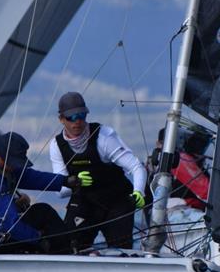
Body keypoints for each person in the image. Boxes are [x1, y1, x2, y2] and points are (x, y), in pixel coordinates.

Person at [0, 129, 88, 254]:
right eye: (13, 163)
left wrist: (64, 181)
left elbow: (27, 176)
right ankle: (66, 255)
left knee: (42, 212)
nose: (14, 167)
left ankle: (66, 250)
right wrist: (39, 239)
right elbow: (8, 223)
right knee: (43, 215)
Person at [49, 92, 147, 252]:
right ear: (61, 119)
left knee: (121, 250)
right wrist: (73, 181)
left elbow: (137, 167)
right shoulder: (56, 145)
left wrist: (138, 192)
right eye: (71, 118)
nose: (78, 122)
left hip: (116, 201)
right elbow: (61, 191)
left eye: (81, 115)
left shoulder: (104, 137)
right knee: (69, 246)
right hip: (84, 201)